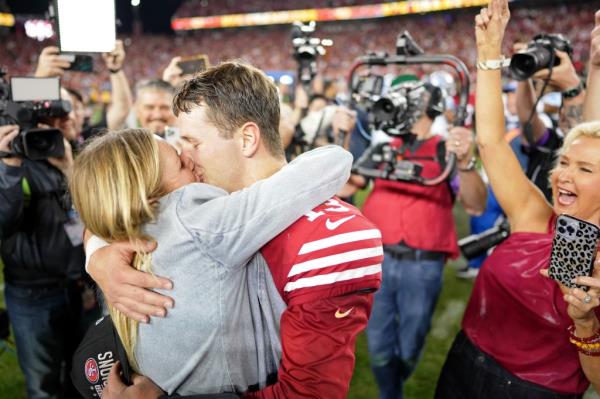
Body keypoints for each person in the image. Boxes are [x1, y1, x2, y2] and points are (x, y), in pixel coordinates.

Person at [83, 61, 383, 399]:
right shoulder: (200, 206)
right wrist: (97, 254)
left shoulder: (329, 233)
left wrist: (96, 252)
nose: (185, 155)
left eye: (192, 142)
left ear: (247, 138)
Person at [70, 128, 351, 395]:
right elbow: (332, 164)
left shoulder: (122, 238)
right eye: (180, 164)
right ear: (150, 195)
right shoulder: (194, 221)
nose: (190, 160)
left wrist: (94, 250)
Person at [434, 1, 600, 397]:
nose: (562, 174)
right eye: (564, 162)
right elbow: (490, 141)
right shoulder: (533, 214)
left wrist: (586, 324)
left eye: (584, 170)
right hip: (463, 364)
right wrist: (489, 54)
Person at [359, 76, 487, 399]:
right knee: (376, 342)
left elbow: (475, 204)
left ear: (428, 107)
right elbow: (347, 185)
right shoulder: (386, 147)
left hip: (422, 264)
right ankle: (392, 393)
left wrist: (466, 161)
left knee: (412, 340)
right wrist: (340, 133)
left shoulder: (446, 150)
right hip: (379, 260)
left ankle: (394, 382)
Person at [0, 93, 95, 397]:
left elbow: (100, 215)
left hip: (81, 288)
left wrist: (69, 169)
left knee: (84, 375)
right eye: (55, 110)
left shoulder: (82, 154)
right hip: (33, 295)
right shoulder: (15, 159)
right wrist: (10, 164)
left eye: (69, 109)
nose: (65, 116)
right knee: (44, 387)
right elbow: (3, 223)